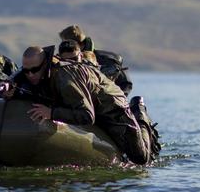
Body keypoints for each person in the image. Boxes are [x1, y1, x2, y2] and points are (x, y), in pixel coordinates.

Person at [26, 52, 160, 166]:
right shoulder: (38, 71)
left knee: (141, 158)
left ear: (44, 65)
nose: (30, 74)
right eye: (26, 71)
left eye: (34, 70)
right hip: (95, 106)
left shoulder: (66, 78)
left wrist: (52, 113)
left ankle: (139, 111)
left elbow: (87, 115)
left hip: (113, 109)